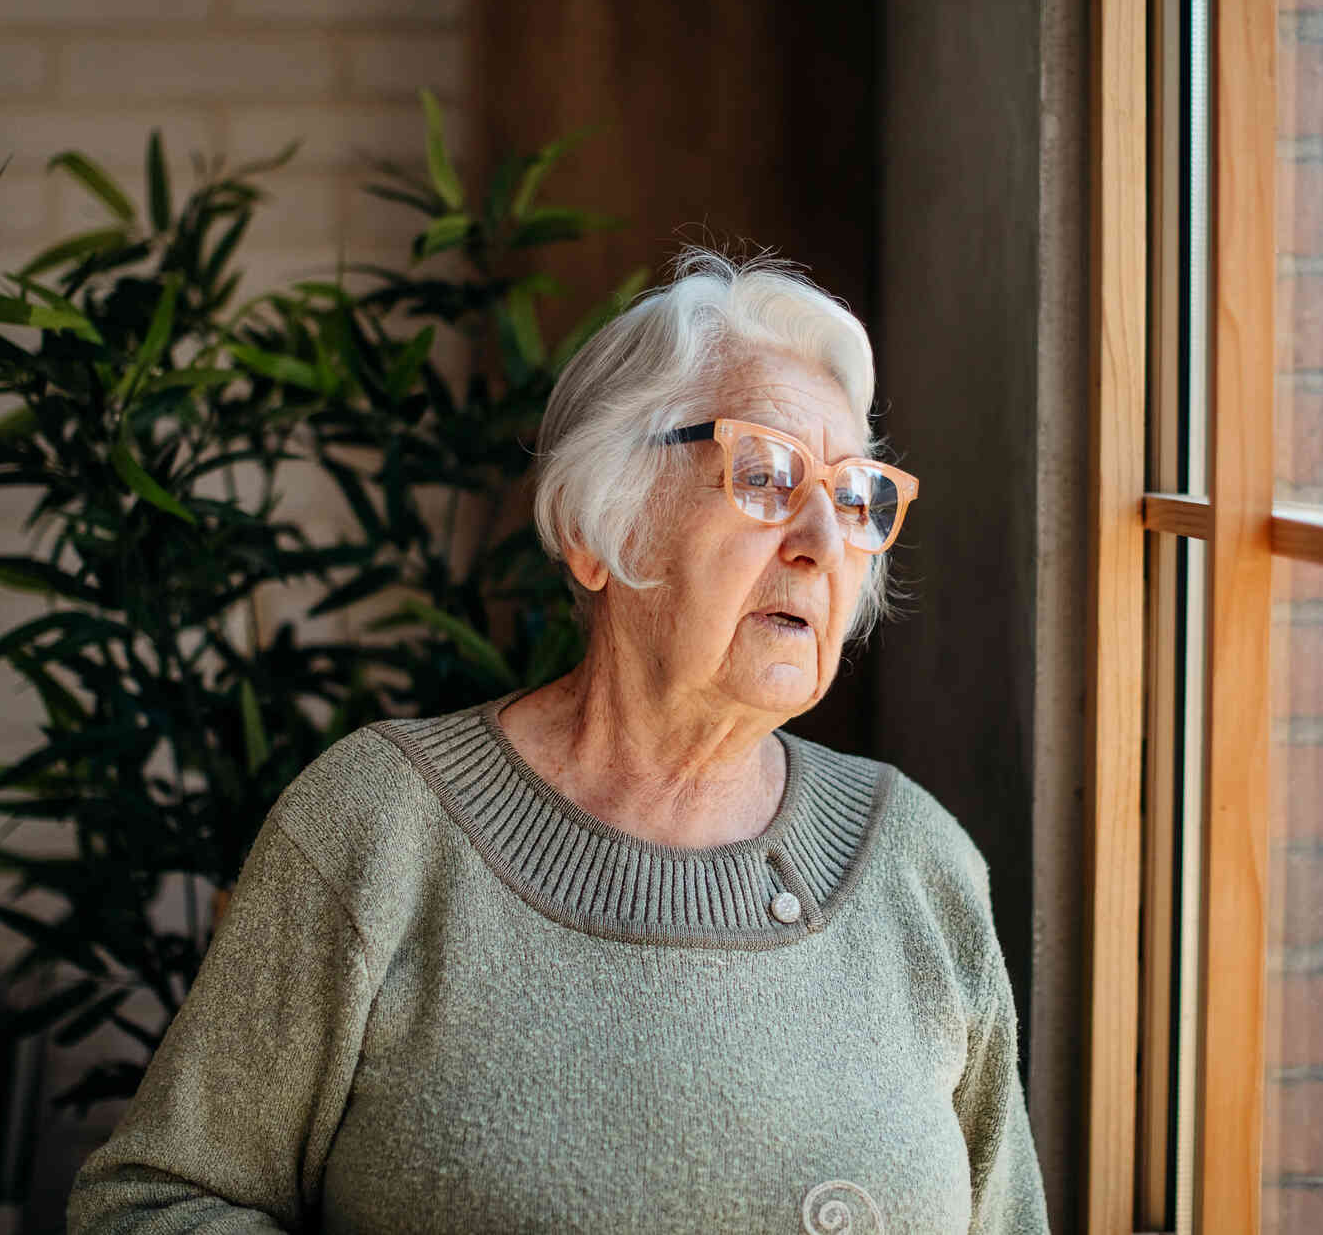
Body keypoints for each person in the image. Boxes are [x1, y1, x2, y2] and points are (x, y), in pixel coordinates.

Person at [67, 248, 1048, 1233]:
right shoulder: (380, 826)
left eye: (850, 497)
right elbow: (148, 1206)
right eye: (765, 475)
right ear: (599, 526)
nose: (822, 544)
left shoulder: (920, 863)